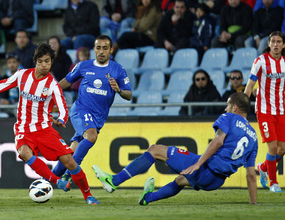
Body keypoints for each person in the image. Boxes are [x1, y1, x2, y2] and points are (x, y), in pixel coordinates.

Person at [93, 92, 258, 205]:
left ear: (235, 108)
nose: (225, 109)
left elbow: (218, 141)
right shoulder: (254, 137)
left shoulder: (229, 117)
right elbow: (251, 174)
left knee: (155, 149)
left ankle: (113, 182)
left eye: (228, 106)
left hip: (205, 169)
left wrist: (198, 164)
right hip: (217, 181)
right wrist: (253, 203)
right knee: (180, 180)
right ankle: (147, 198)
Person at [0, 43, 100, 205]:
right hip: (24, 128)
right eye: (41, 61)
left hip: (45, 129)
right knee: (24, 152)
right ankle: (56, 180)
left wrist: (61, 119)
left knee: (70, 161)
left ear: (51, 62)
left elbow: (62, 107)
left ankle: (88, 195)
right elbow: (3, 83)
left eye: (47, 61)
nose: (44, 65)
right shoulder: (22, 75)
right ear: (35, 61)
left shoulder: (52, 85)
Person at [51, 35, 133, 182]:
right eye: (98, 48)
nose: (101, 51)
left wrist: (119, 90)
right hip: (81, 109)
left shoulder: (118, 69)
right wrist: (48, 96)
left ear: (111, 50)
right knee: (91, 136)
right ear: (94, 49)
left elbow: (129, 95)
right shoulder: (83, 66)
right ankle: (71, 175)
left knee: (71, 151)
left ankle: (48, 180)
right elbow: (66, 82)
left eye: (105, 48)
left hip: (98, 117)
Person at [244, 31, 285, 193]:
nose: (275, 44)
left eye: (279, 42)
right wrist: (242, 110)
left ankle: (263, 167)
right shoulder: (260, 61)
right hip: (264, 110)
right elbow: (249, 86)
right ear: (268, 44)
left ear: (283, 45)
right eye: (273, 41)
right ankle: (273, 183)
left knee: (282, 149)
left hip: (282, 110)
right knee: (273, 147)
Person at [48, 36, 74, 104]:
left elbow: (69, 74)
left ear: (59, 44)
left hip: (64, 87)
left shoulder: (66, 57)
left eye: (55, 43)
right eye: (51, 43)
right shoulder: (44, 58)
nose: (53, 45)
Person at [0, 52, 21, 117]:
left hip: (18, 104)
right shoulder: (3, 78)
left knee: (18, 111)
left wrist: (10, 102)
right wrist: (1, 99)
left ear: (18, 63)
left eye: (14, 62)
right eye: (9, 62)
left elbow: (24, 95)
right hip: (6, 105)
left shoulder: (23, 78)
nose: (12, 65)